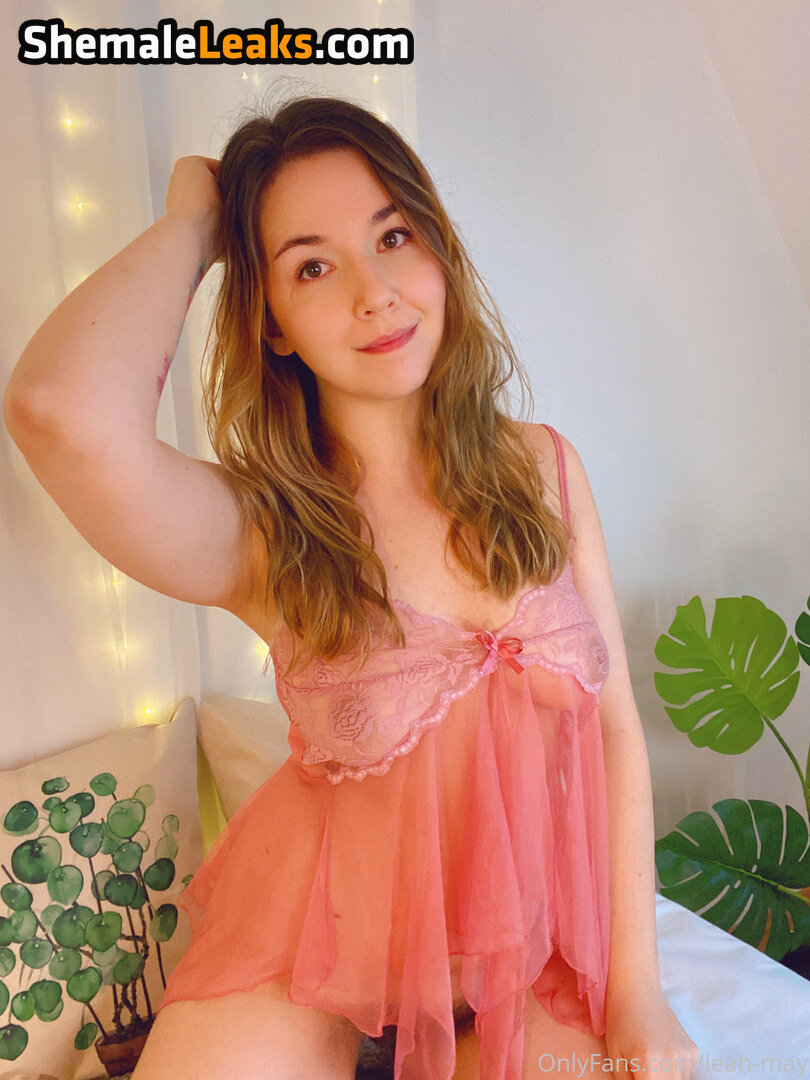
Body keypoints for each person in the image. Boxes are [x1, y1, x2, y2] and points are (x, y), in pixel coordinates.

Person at [3, 96, 698, 1080]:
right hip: (313, 952)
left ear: (437, 250)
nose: (375, 293)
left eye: (393, 236)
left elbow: (617, 731)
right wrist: (197, 225)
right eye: (312, 267)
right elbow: (56, 411)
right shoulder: (264, 530)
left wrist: (637, 992)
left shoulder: (543, 469)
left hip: (515, 963)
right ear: (273, 323)